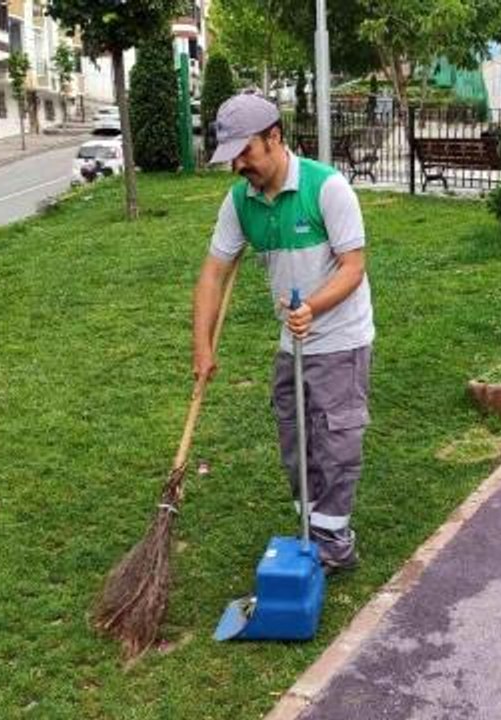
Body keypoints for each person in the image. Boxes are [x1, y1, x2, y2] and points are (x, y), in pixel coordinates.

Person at [191, 94, 374, 574]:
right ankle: (310, 534)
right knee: (296, 441)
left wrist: (311, 307)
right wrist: (202, 347)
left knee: (335, 440)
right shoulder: (240, 201)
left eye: (245, 151)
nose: (238, 165)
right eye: (231, 155)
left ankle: (335, 545)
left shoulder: (327, 189)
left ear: (274, 137)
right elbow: (213, 273)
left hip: (339, 338)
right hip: (291, 343)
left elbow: (353, 268)